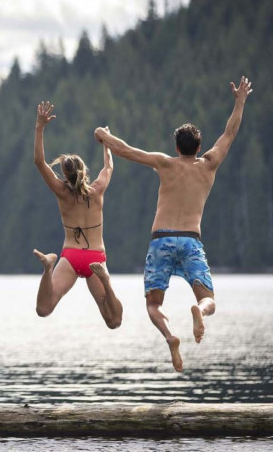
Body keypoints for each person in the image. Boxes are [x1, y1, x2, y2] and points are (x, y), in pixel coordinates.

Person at [94, 76, 253, 372]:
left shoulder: (164, 163)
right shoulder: (209, 164)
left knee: (154, 305)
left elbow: (127, 150)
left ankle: (170, 336)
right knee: (209, 299)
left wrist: (103, 134)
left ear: (177, 147)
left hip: (161, 240)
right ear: (199, 145)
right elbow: (230, 133)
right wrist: (240, 100)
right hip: (191, 240)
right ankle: (200, 311)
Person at [32, 101, 123, 329]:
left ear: (64, 173)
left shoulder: (61, 192)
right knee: (114, 321)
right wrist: (106, 142)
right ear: (84, 172)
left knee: (44, 309)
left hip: (70, 257)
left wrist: (39, 127)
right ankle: (105, 280)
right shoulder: (98, 190)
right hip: (95, 258)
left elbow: (39, 162)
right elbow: (109, 166)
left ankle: (48, 267)